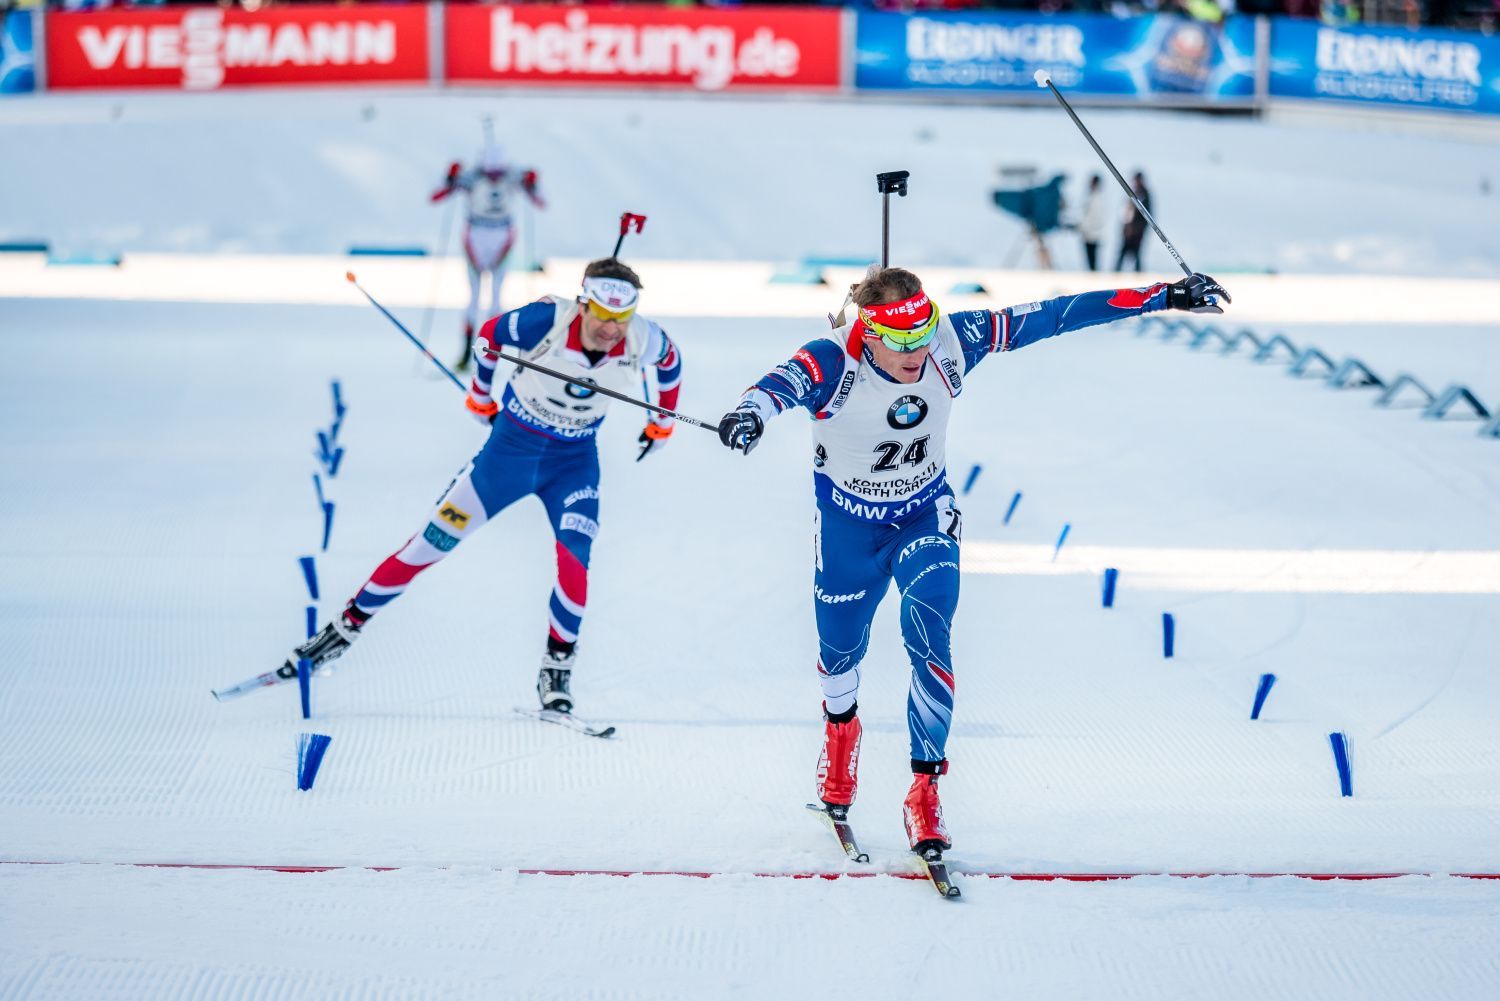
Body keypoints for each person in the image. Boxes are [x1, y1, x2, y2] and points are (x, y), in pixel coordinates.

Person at [716, 266, 1228, 856]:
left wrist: (1163, 296)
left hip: (923, 518)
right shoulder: (831, 360)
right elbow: (771, 388)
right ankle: (839, 742)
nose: (917, 352)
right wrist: (749, 415)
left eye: (923, 333)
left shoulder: (953, 340)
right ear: (868, 332)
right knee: (838, 659)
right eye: (900, 340)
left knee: (929, 633)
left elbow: (1057, 313)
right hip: (847, 533)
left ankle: (924, 794)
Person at [285, 258, 683, 714]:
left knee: (575, 565)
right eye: (602, 315)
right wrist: (481, 394)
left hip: (572, 466)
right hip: (507, 457)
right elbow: (489, 338)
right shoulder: (547, 321)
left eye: (621, 318)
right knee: (426, 547)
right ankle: (340, 632)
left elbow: (671, 364)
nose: (611, 328)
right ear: (583, 303)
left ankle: (557, 671)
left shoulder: (644, 338)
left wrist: (662, 421)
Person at [431, 143, 545, 372]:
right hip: (476, 236)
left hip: (502, 235)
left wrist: (533, 183)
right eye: (489, 173)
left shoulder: (512, 177)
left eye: (497, 173)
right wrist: (449, 178)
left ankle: (494, 352)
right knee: (473, 296)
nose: (494, 177)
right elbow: (437, 196)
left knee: (496, 298)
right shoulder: (472, 177)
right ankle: (466, 353)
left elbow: (541, 202)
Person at [1114, 171, 1152, 272]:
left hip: (1137, 232)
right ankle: (1116, 273)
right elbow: (1126, 212)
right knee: (1122, 253)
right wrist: (1126, 228)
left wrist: (1138, 230)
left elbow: (1148, 215)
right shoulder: (1133, 193)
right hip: (1128, 230)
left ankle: (1138, 274)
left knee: (1137, 254)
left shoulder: (1145, 194)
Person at [1078, 174, 1106, 272]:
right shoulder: (1091, 196)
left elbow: (1095, 217)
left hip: (1092, 233)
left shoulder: (1097, 198)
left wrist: (1084, 226)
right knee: (1089, 261)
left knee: (1092, 261)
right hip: (1088, 233)